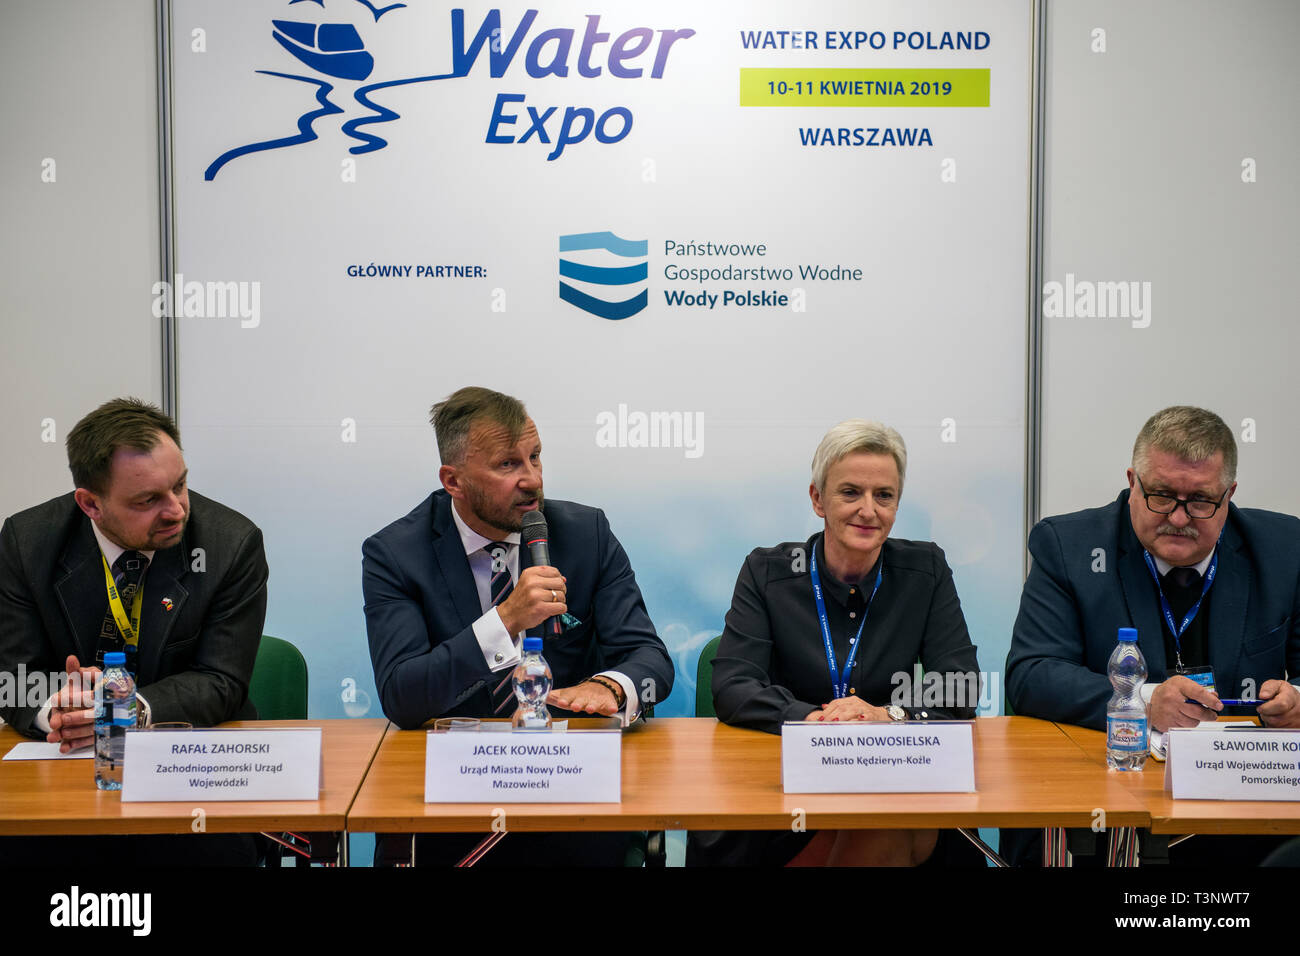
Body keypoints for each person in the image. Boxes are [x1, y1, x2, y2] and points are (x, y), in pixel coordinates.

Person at [363, 386, 673, 865]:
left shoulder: (586, 533)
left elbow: (651, 661)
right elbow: (403, 696)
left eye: (535, 457)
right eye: (508, 465)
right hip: (451, 803)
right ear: (454, 480)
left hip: (571, 798)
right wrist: (506, 620)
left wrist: (612, 687)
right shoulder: (396, 555)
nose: (532, 480)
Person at [1004, 405, 1300, 865]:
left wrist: (1297, 699)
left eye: (1201, 501)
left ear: (1230, 494)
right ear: (1131, 484)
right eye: (1161, 496)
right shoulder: (1070, 545)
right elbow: (1031, 675)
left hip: (1239, 801)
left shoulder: (1284, 549)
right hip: (1105, 798)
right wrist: (1141, 699)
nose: (1179, 518)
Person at [688, 420, 983, 866]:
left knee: (887, 818)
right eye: (850, 493)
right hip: (786, 794)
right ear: (817, 499)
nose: (868, 510)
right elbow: (733, 683)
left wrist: (887, 717)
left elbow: (959, 687)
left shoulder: (926, 571)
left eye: (884, 495)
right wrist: (815, 722)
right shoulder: (767, 572)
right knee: (884, 825)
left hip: (891, 775)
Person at [0, 397, 268, 865]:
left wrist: (127, 712)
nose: (176, 511)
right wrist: (59, 713)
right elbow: (13, 672)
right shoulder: (27, 542)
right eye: (147, 501)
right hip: (63, 771)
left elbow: (220, 678)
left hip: (190, 770)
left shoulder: (230, 544)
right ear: (90, 504)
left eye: (180, 485)